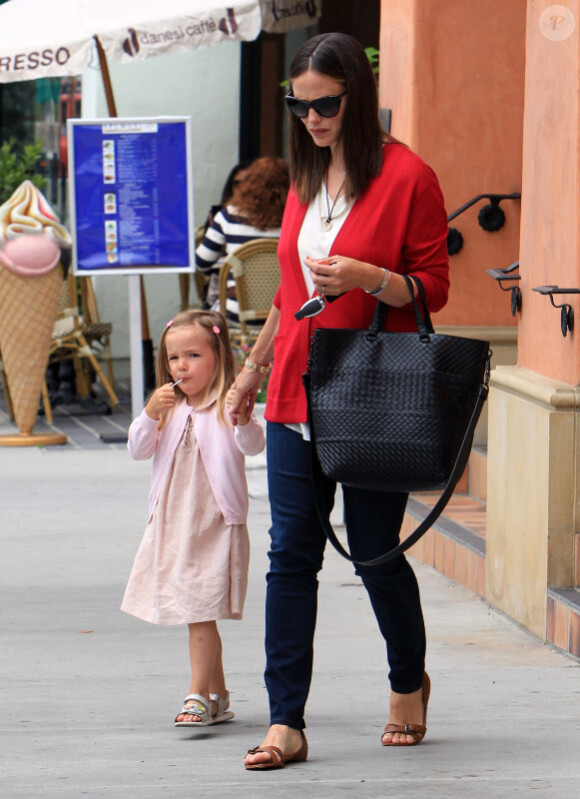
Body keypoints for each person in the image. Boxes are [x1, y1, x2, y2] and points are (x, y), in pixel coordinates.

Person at [229, 32, 450, 769]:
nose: (312, 117)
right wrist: (250, 371)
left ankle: (405, 682)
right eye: (299, 104)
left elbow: (432, 289)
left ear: (355, 95)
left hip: (371, 390)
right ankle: (285, 720)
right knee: (291, 552)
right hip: (295, 389)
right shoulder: (303, 176)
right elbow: (290, 295)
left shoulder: (409, 176)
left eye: (324, 104)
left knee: (375, 550)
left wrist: (366, 276)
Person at [121, 309, 265, 727]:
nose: (181, 366)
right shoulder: (168, 406)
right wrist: (149, 413)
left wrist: (241, 420)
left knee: (199, 611)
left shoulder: (227, 404)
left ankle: (197, 695)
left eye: (193, 355)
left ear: (218, 356)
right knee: (197, 609)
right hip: (173, 520)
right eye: (173, 358)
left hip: (214, 522)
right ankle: (217, 695)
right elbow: (137, 449)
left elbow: (253, 445)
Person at [195, 156, 290, 320]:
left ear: (249, 184)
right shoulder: (297, 217)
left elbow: (202, 262)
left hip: (238, 315)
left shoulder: (229, 216)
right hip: (283, 315)